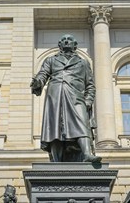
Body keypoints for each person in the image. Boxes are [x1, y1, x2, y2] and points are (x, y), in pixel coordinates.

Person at [30, 34, 101, 163]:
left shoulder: (83, 63)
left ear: (75, 45)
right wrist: (38, 82)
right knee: (55, 128)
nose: (66, 41)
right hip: (55, 97)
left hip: (76, 97)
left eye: (70, 40)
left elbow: (90, 85)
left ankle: (87, 154)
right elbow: (43, 74)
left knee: (82, 124)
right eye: (64, 40)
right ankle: (56, 161)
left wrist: (88, 101)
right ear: (59, 45)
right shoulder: (50, 60)